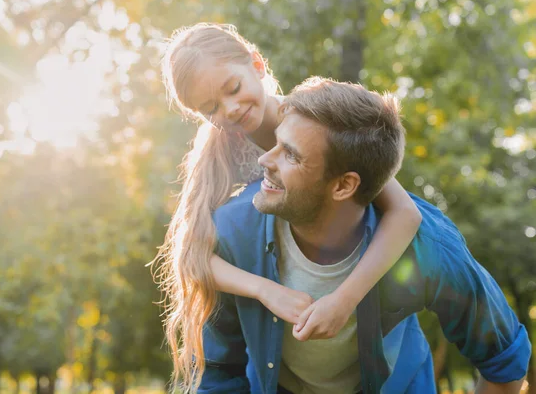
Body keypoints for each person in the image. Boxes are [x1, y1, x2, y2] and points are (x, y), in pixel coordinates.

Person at [202, 77, 531, 394]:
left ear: (344, 185)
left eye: (290, 154)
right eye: (275, 142)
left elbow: (503, 359)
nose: (264, 159)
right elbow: (218, 370)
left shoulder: (427, 247)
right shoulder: (234, 232)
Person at [155, 23, 422, 392]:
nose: (229, 109)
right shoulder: (222, 150)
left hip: (377, 338)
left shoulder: (313, 118)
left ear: (257, 64)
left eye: (233, 88)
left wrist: (345, 300)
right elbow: (192, 257)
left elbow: (406, 214)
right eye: (209, 108)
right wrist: (266, 290)